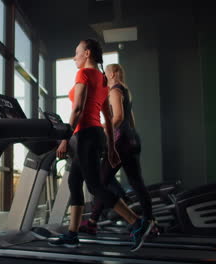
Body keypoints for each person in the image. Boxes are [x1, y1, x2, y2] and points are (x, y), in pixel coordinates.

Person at [48, 40, 153, 252]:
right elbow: (106, 114)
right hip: (96, 136)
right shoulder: (103, 79)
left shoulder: (84, 75)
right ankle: (72, 234)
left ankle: (137, 222)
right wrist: (112, 148)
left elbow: (77, 109)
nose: (74, 57)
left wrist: (65, 138)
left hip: (85, 136)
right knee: (74, 181)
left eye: (76, 53)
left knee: (95, 186)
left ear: (87, 54)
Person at [78, 63, 159, 243]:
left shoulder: (114, 90)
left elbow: (119, 117)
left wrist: (103, 131)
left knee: (99, 183)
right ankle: (149, 221)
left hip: (121, 142)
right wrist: (129, 137)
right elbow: (131, 120)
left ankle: (93, 222)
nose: (104, 79)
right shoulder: (126, 91)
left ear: (113, 73)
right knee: (136, 182)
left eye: (106, 75)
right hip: (132, 140)